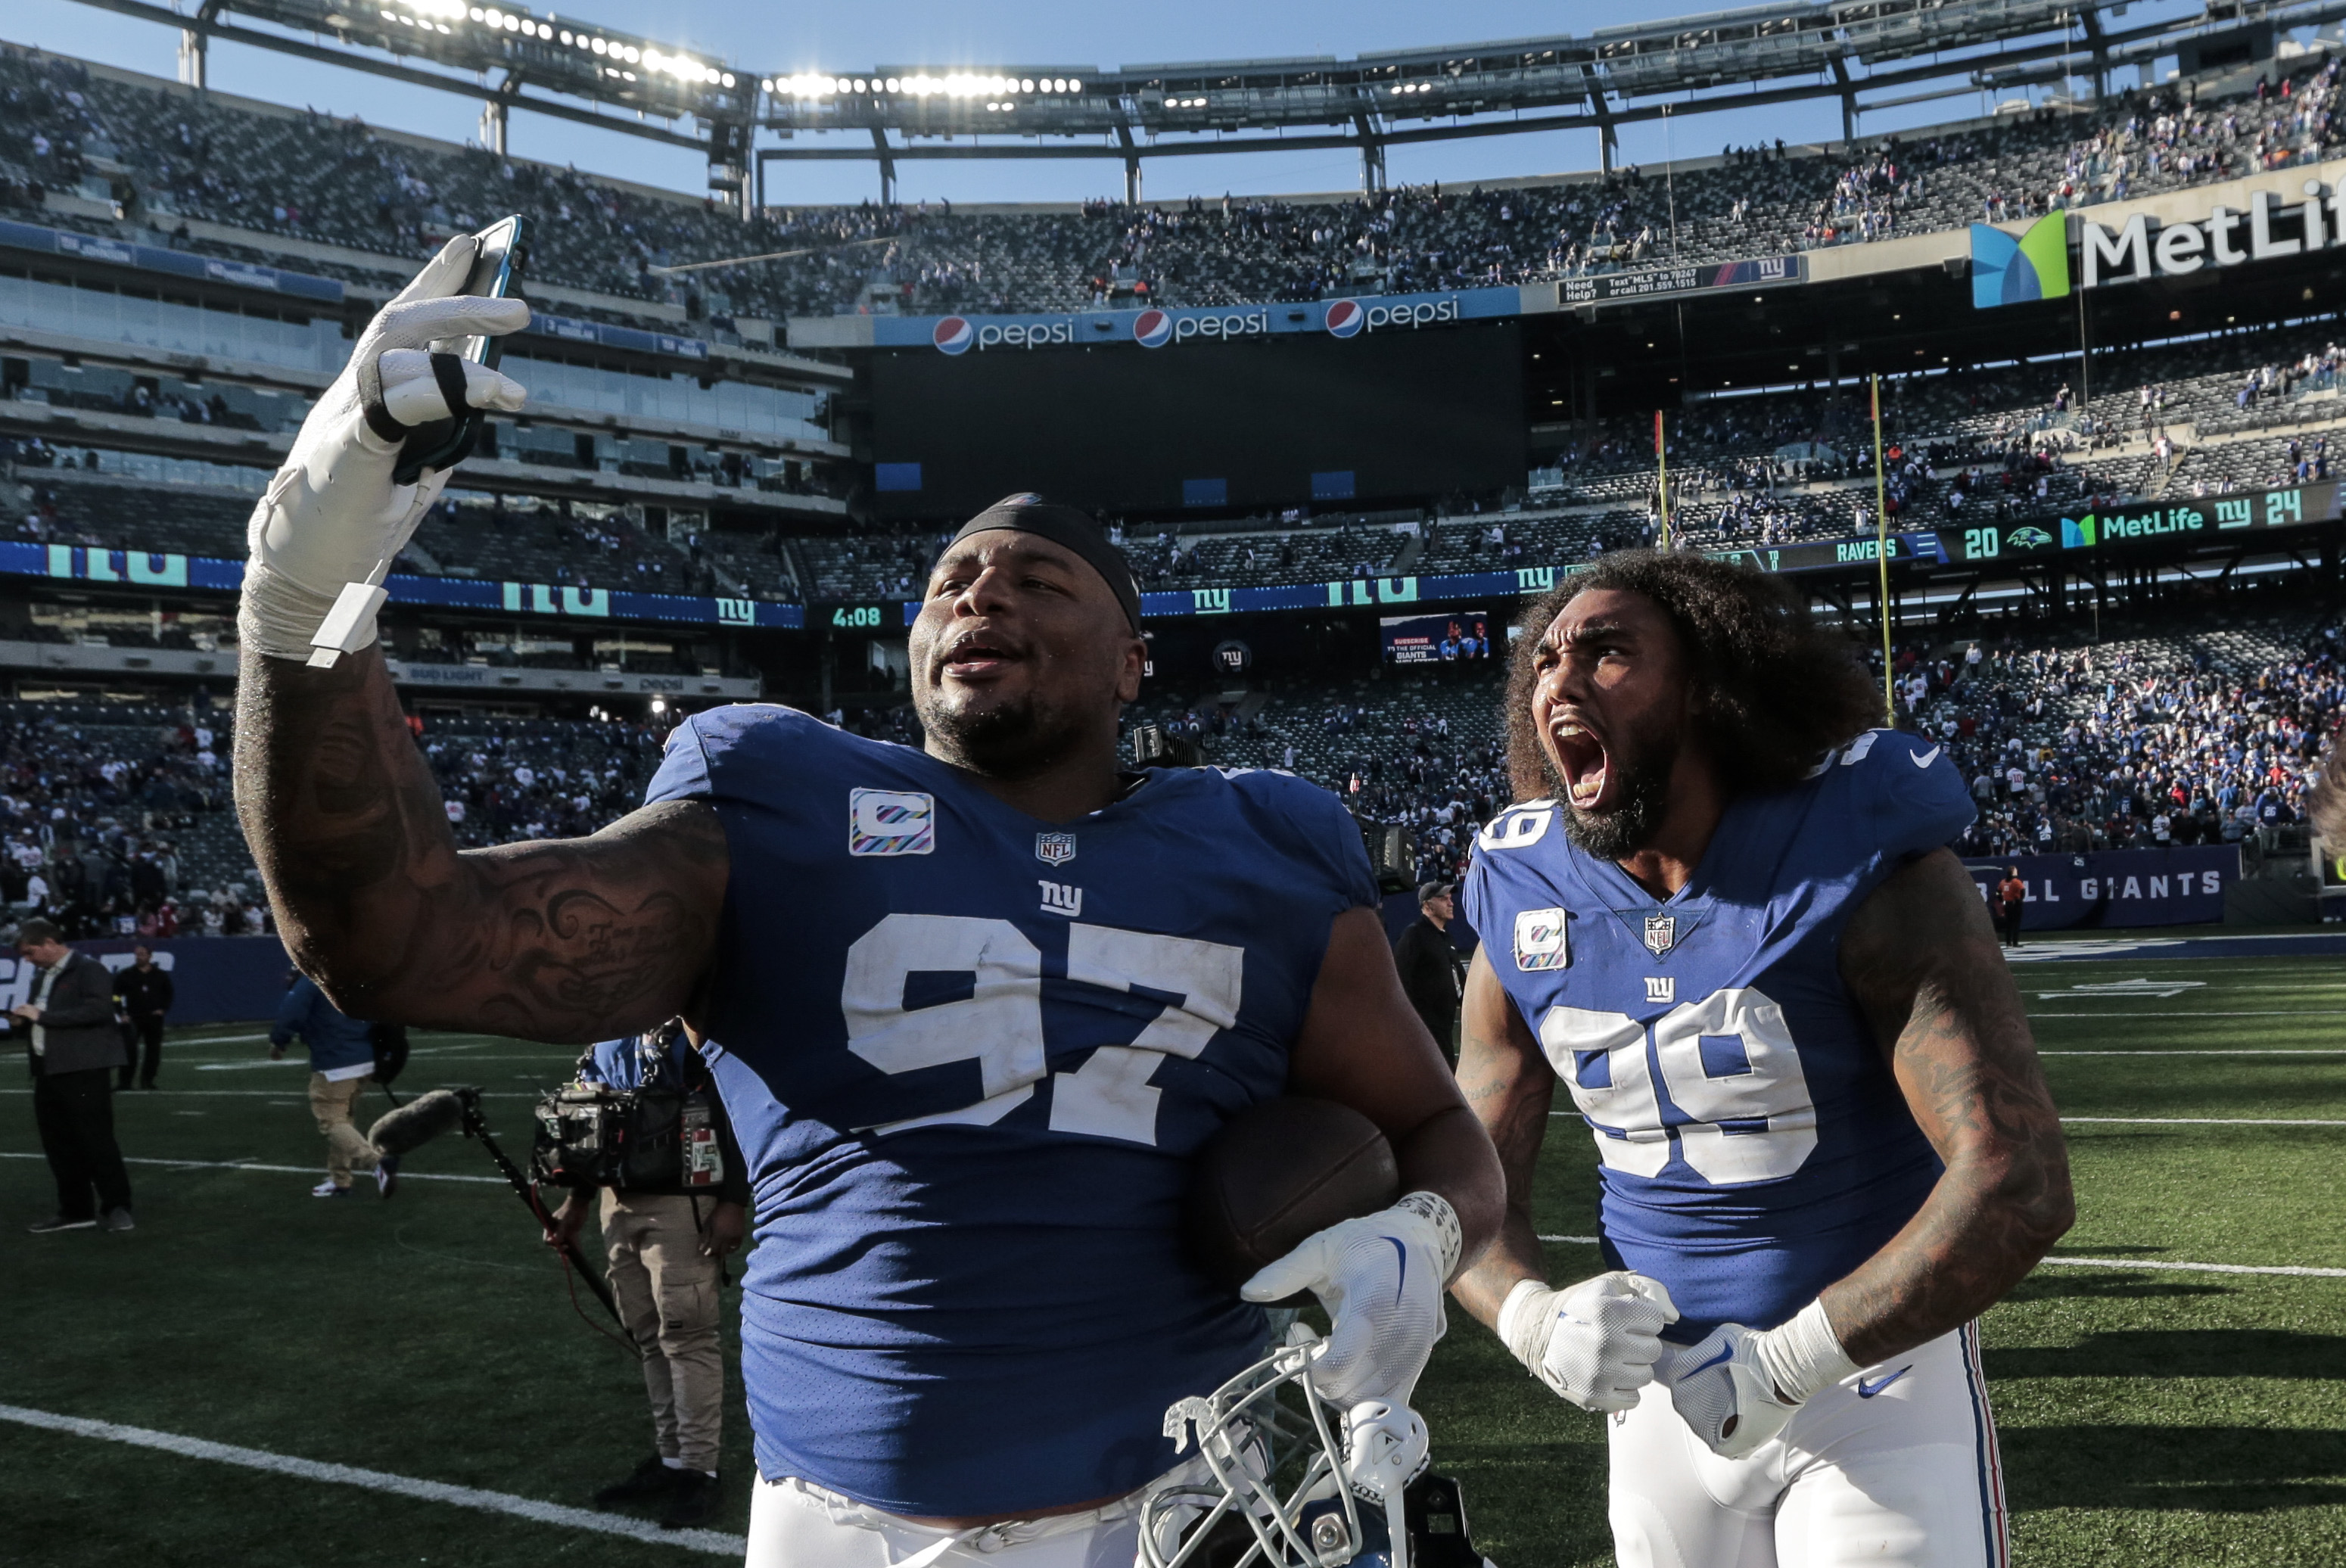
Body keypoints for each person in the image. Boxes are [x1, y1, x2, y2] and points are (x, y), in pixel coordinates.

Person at [232, 250, 1504, 1568]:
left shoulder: (1264, 836)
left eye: (1035, 579)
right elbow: (393, 940)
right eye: (949, 581)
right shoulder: (776, 791)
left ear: (1133, 659)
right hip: (845, 1531)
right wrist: (304, 596)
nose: (977, 593)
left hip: (1190, 1510)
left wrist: (1424, 1229)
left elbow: (1428, 1124)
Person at [1450, 552, 2073, 1568]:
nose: (1559, 681)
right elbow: (1463, 1176)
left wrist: (1791, 1363)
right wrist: (1528, 1314)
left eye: (1608, 653)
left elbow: (2019, 1180)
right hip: (1658, 1406)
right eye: (1548, 661)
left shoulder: (1851, 854)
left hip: (1868, 1383)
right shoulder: (1523, 890)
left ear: (1708, 685)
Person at [552, 1022, 748, 1530]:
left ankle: (700, 1470)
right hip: (619, 1199)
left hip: (682, 1198)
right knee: (648, 1334)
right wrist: (576, 1201)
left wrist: (731, 1201)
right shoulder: (605, 1030)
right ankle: (672, 1459)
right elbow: (587, 1113)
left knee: (686, 1335)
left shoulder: (687, 1023)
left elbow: (734, 1108)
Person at [14, 918, 135, 1234]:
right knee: (59, 1145)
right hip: (48, 1070)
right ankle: (75, 1210)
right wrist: (23, 1021)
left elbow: (98, 1011)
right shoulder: (43, 976)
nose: (27, 960)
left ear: (50, 944)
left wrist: (42, 1016)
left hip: (83, 1070)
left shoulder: (89, 969)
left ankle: (118, 1206)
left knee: (97, 1141)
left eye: (30, 952)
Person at [267, 975, 399, 1199]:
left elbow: (292, 1013)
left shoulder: (311, 981)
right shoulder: (350, 979)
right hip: (365, 1060)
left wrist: (278, 1042)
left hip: (335, 1063)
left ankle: (375, 1163)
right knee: (344, 1121)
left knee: (332, 1122)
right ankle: (340, 1179)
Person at [1392, 879, 1463, 1061]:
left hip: (1444, 1027)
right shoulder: (1414, 935)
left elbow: (1458, 978)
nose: (1451, 903)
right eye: (1443, 899)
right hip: (1424, 1030)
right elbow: (1399, 979)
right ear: (1428, 905)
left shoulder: (1446, 938)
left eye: (1450, 898)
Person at [114, 944, 174, 1091]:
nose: (138, 957)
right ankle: (125, 1082)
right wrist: (121, 1013)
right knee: (130, 1051)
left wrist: (163, 1009)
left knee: (153, 1051)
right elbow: (115, 995)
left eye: (142, 954)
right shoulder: (126, 974)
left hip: (154, 1018)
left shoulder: (160, 975)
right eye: (137, 954)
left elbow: (169, 993)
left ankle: (148, 1081)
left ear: (150, 956)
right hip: (133, 1018)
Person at [1999, 866, 2027, 947]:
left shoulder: (2003, 882)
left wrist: (2001, 899)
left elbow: (1998, 892)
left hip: (2007, 904)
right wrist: (2020, 899)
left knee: (2009, 924)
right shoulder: (2017, 882)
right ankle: (2015, 942)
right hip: (2015, 904)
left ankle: (2008, 942)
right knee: (2016, 924)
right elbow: (2023, 891)